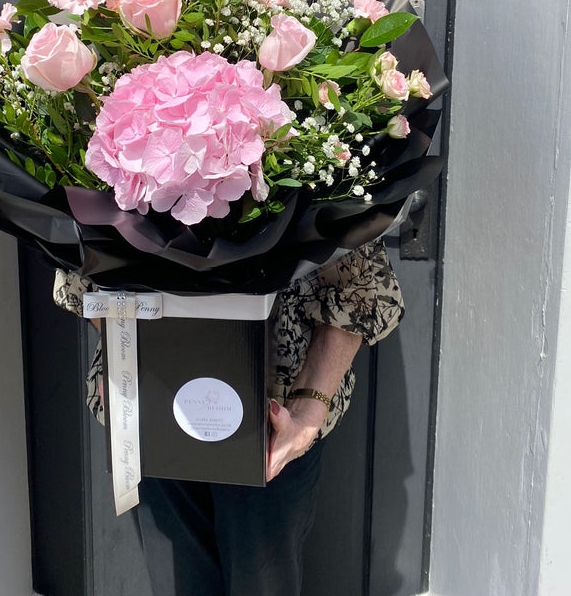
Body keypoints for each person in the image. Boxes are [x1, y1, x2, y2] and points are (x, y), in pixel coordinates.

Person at [54, 238, 404, 596]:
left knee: (262, 581)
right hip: (151, 405)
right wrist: (124, 356)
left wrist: (309, 407)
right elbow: (82, 270)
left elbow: (358, 282)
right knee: (177, 581)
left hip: (274, 418)